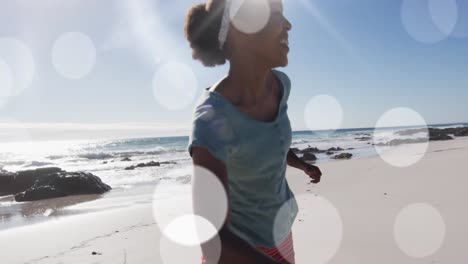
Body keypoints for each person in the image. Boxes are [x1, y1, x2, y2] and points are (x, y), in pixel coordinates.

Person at [184, 0, 322, 263]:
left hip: (281, 236)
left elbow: (269, 142)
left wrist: (302, 164)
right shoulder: (211, 120)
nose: (289, 25)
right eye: (277, 16)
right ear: (241, 28)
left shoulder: (281, 86)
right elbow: (213, 237)